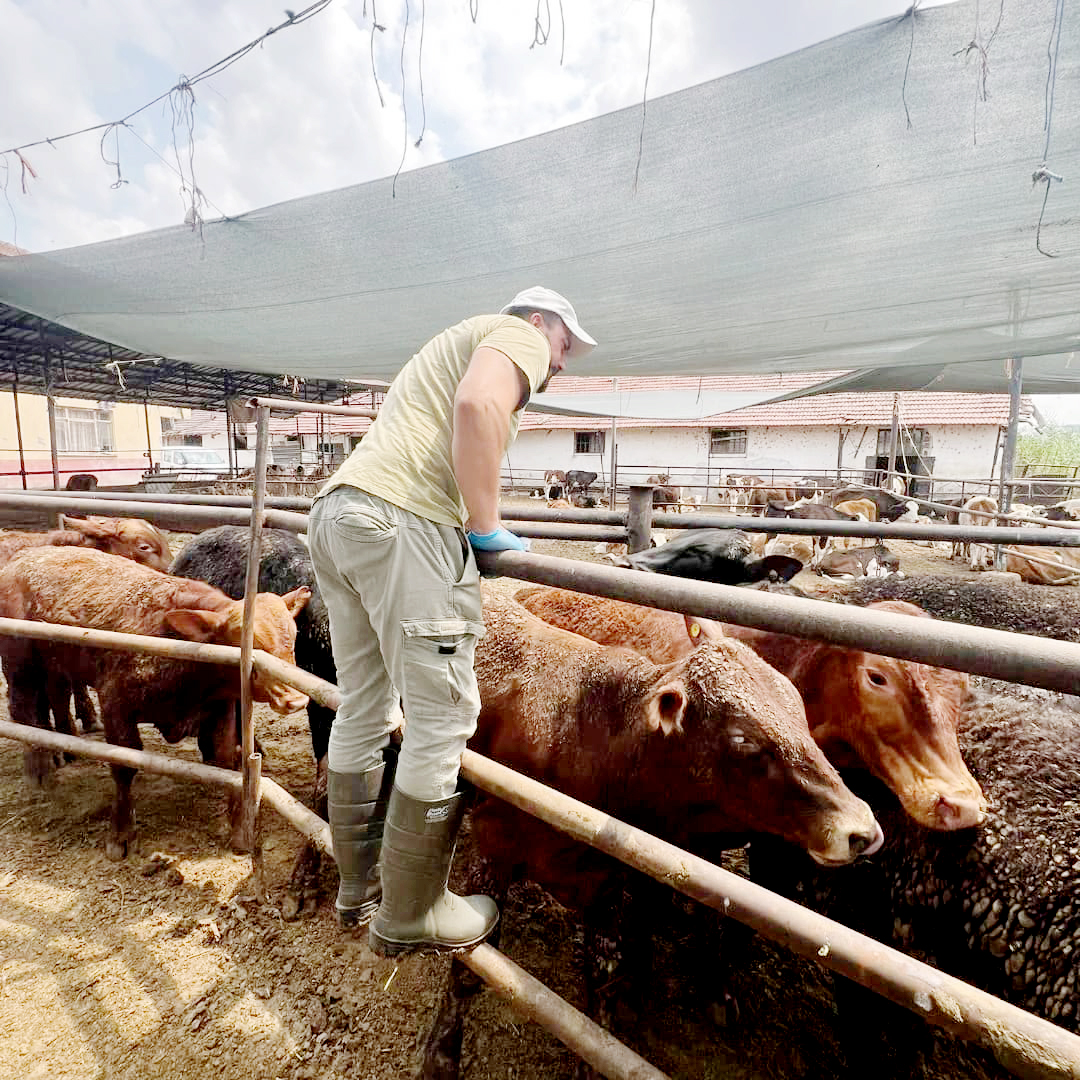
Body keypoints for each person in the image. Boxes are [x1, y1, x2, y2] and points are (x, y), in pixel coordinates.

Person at [307, 286, 596, 956]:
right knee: (441, 720)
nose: (560, 363)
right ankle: (413, 912)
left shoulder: (450, 343)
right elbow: (477, 405)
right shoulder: (514, 335)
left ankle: (360, 885)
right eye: (563, 344)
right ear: (537, 321)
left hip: (340, 513)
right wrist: (486, 526)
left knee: (365, 704)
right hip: (403, 521)